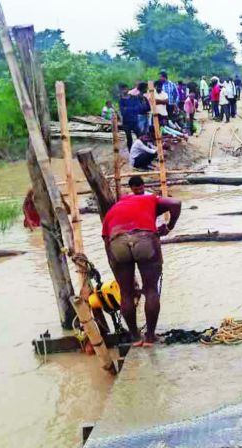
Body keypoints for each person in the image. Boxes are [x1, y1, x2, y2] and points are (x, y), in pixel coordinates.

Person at [102, 176, 181, 347]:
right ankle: (150, 337)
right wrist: (169, 226)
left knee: (126, 293)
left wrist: (114, 263)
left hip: (117, 240)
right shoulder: (150, 198)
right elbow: (176, 203)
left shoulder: (119, 205)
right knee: (151, 289)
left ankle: (135, 338)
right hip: (144, 238)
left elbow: (106, 240)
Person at [118, 83, 149, 150]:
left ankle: (143, 150)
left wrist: (127, 108)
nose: (124, 91)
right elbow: (123, 112)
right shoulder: (121, 101)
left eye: (125, 89)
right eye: (122, 90)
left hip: (135, 121)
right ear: (120, 91)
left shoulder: (134, 97)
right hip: (126, 123)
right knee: (129, 139)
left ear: (128, 89)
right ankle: (131, 153)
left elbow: (138, 108)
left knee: (140, 136)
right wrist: (132, 108)